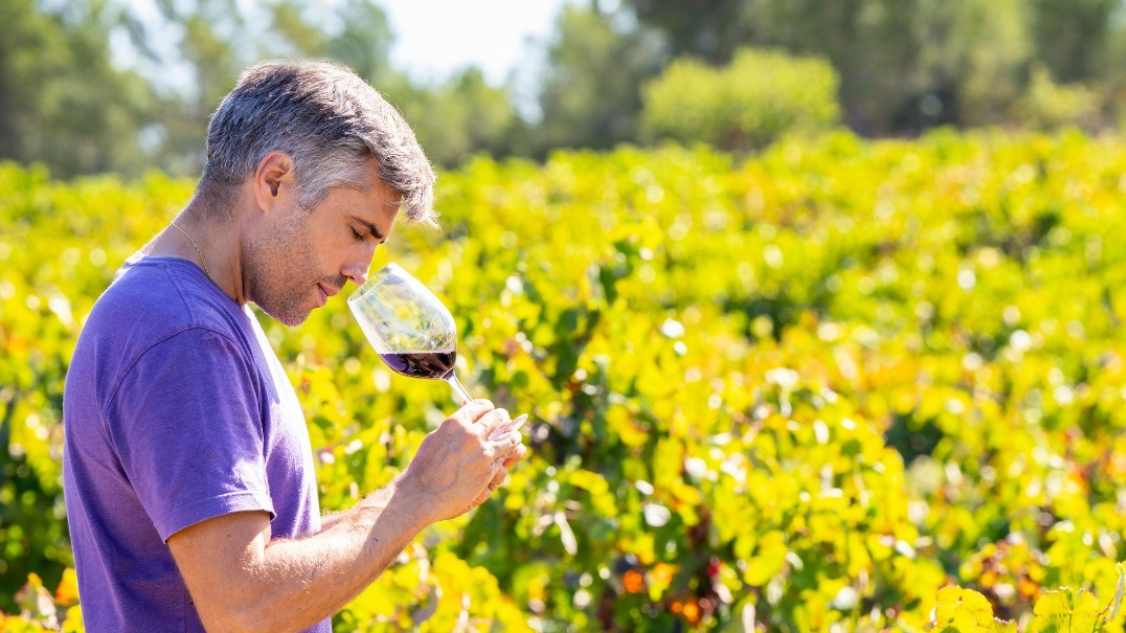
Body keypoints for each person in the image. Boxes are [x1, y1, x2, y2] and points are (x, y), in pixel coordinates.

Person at [62, 60, 527, 632]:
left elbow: (256, 556)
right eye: (359, 231)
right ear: (274, 181)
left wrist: (409, 496)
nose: (363, 271)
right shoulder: (185, 336)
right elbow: (244, 604)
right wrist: (415, 496)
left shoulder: (193, 311)